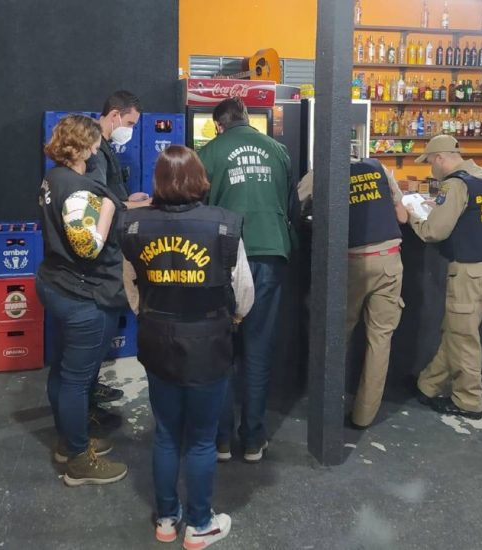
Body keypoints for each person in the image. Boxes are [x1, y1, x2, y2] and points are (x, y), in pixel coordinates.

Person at [120, 145, 253, 548]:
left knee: (165, 433)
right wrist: (233, 319)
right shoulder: (224, 226)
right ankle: (199, 524)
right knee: (201, 438)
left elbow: (131, 287)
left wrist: (151, 315)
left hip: (157, 340)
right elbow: (244, 291)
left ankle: (166, 519)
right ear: (201, 178)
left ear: (158, 180)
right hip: (209, 343)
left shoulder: (134, 226)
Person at [197, 97, 292, 463]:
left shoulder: (208, 153)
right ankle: (253, 439)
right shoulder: (278, 151)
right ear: (248, 118)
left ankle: (221, 440)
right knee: (258, 347)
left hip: (224, 255)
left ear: (218, 124)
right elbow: (289, 203)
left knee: (220, 349)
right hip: (269, 252)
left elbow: (200, 208)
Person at [36, 114, 128, 486]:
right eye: (94, 144)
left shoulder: (53, 177)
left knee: (63, 370)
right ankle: (77, 459)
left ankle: (67, 440)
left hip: (58, 284)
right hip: (83, 294)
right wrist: (107, 209)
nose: (97, 149)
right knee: (77, 379)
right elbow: (88, 247)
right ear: (84, 146)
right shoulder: (77, 189)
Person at [296, 157, 408, 428]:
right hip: (390, 259)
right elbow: (403, 216)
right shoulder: (379, 168)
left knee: (336, 335)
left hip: (352, 263)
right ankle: (363, 416)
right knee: (380, 340)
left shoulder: (321, 171)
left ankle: (329, 409)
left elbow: (295, 207)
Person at [407, 135, 482, 421]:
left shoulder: (455, 184)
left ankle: (468, 401)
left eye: (430, 162)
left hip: (468, 272)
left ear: (439, 158)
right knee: (455, 330)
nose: (430, 169)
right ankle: (428, 384)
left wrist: (411, 215)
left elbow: (433, 232)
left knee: (463, 338)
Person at [84, 90, 150, 420]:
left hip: (110, 246)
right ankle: (86, 404)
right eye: (130, 123)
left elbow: (111, 193)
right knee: (100, 330)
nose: (131, 130)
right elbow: (99, 203)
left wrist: (128, 197)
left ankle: (90, 387)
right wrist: (140, 205)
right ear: (114, 115)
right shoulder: (96, 151)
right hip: (103, 253)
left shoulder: (104, 147)